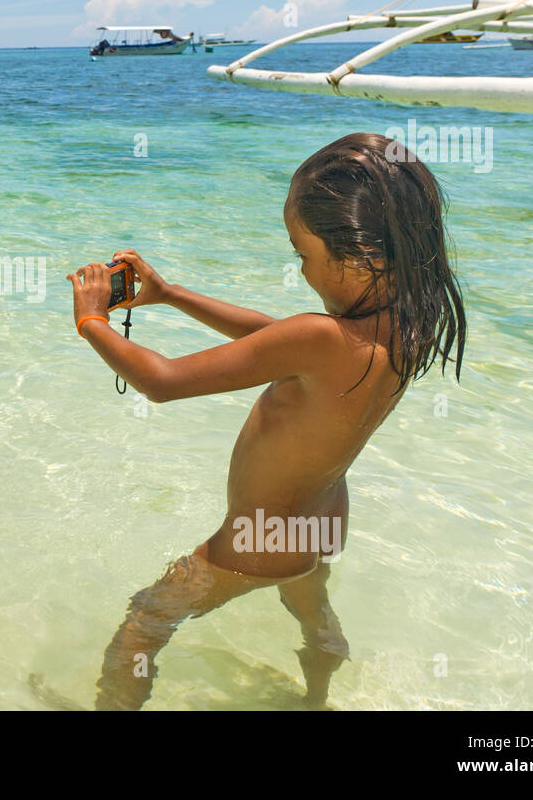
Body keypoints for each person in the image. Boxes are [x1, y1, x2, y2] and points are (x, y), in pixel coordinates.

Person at [68, 133, 466, 709]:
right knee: (311, 609)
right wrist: (173, 295)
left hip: (262, 537)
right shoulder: (403, 321)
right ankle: (317, 695)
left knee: (146, 619)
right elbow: (274, 339)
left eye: (302, 255)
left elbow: (161, 382)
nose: (301, 270)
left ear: (359, 255)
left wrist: (92, 322)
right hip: (323, 518)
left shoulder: (320, 338)